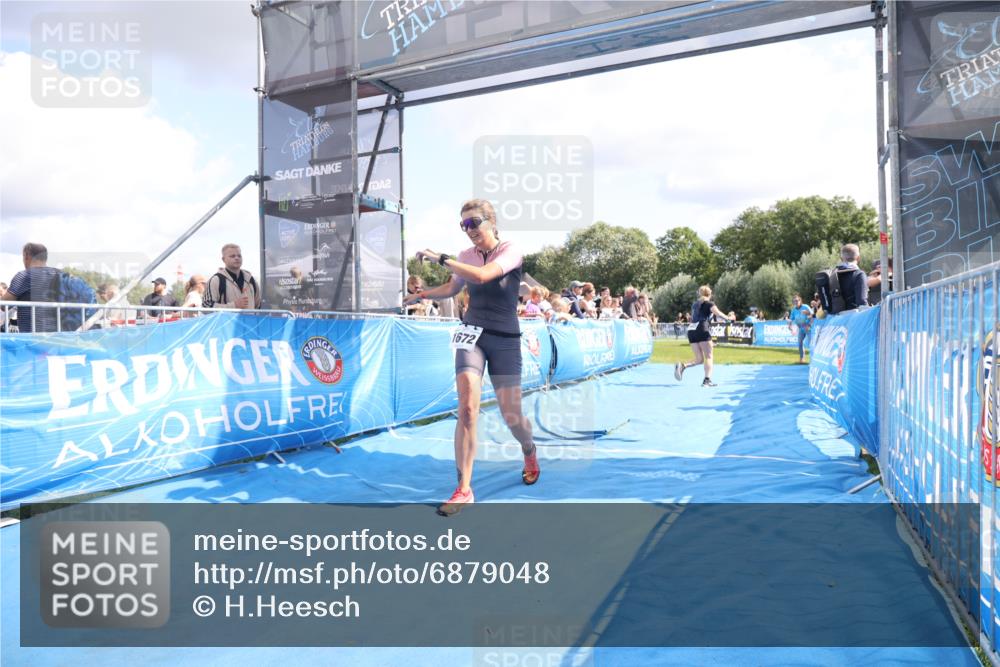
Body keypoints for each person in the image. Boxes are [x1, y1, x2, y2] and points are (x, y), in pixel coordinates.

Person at [402, 199, 538, 516]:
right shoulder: (465, 256)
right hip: (472, 334)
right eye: (463, 225)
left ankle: (529, 449)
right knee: (466, 407)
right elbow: (453, 288)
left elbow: (482, 275)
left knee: (512, 415)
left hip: (505, 340)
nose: (469, 230)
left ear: (491, 222)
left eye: (474, 222)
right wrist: (422, 294)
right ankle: (464, 489)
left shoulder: (511, 250)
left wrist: (441, 258)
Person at [674, 285, 733, 387]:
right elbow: (718, 313)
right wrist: (728, 318)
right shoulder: (709, 303)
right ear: (710, 294)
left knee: (699, 359)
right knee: (709, 356)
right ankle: (707, 380)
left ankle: (682, 366)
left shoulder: (695, 304)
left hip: (692, 330)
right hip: (702, 328)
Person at [2, 242, 62, 333]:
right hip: (59, 335)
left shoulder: (24, 276)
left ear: (26, 256)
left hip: (32, 337)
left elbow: (3, 305)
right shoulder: (61, 275)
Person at [204, 243, 262, 310]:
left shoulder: (251, 280)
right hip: (225, 317)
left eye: (239, 256)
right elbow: (206, 307)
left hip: (249, 317)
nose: (237, 258)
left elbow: (258, 305)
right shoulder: (216, 280)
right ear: (223, 259)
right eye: (232, 256)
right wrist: (234, 305)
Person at [818, 243, 869, 314]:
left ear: (841, 258)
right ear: (858, 258)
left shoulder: (832, 274)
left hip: (835, 317)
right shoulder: (859, 274)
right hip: (852, 317)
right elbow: (862, 303)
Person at [788, 293, 813, 364]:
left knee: (811, 344)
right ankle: (802, 359)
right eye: (794, 301)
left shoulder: (805, 307)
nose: (796, 302)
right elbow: (791, 319)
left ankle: (813, 359)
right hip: (800, 328)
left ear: (800, 301)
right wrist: (789, 325)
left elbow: (812, 315)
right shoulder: (793, 310)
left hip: (808, 327)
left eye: (797, 301)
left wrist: (809, 325)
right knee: (800, 343)